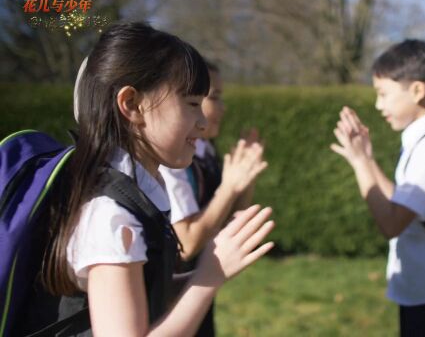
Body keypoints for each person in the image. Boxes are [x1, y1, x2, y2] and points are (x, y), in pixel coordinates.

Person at [19, 22, 275, 336]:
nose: (203, 120)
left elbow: (144, 286)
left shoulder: (131, 196)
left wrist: (199, 275)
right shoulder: (110, 217)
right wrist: (208, 278)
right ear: (131, 104)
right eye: (192, 104)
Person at [330, 39, 425, 336]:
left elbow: (392, 222)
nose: (378, 105)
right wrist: (366, 158)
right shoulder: (423, 141)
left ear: (418, 90)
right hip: (424, 291)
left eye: (383, 94)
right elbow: (403, 203)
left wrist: (359, 164)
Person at [159, 62, 267, 336]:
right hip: (170, 301)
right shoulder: (171, 160)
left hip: (197, 288)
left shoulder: (206, 153)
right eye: (214, 97)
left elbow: (229, 221)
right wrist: (229, 187)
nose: (223, 108)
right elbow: (187, 243)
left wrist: (245, 179)